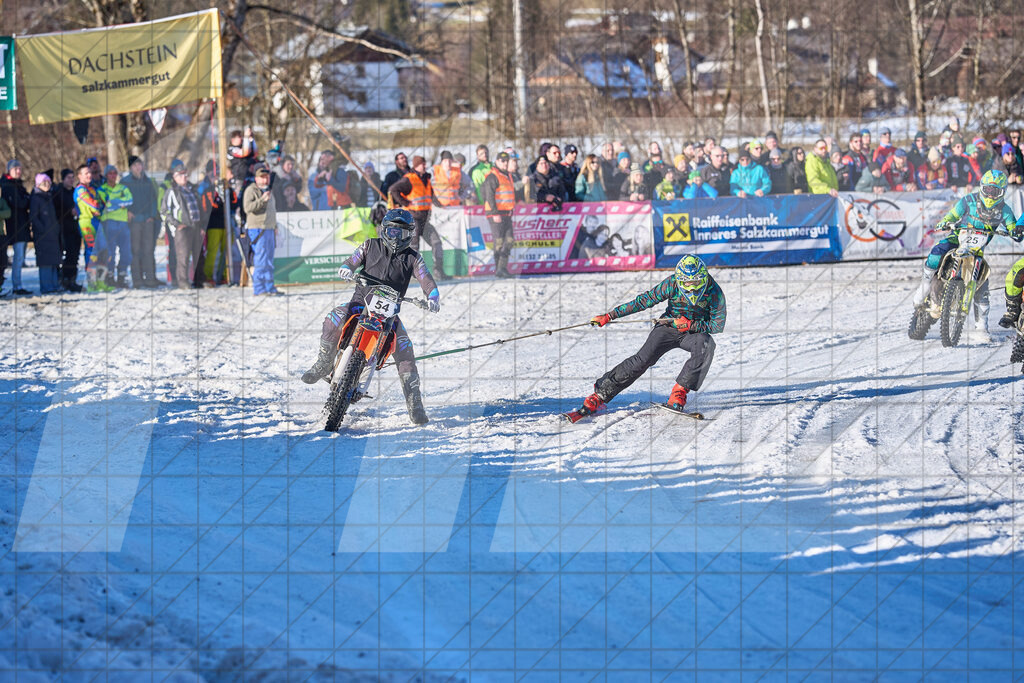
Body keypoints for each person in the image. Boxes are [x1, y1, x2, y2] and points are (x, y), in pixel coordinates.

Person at [300, 208, 441, 424]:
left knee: (405, 351)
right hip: (360, 304)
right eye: (392, 232)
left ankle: (415, 405)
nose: (396, 238)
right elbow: (351, 260)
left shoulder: (414, 258)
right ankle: (323, 363)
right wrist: (346, 268)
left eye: (402, 233)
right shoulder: (369, 245)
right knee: (332, 319)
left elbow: (426, 279)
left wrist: (432, 296)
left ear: (410, 235)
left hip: (389, 315)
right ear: (384, 230)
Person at [565, 254, 726, 422]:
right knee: (642, 360)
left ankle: (679, 392)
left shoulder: (714, 291)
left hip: (694, 333)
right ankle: (600, 394)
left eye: (696, 282)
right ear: (679, 280)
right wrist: (610, 315)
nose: (691, 288)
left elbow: (717, 325)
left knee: (706, 345)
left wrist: (691, 325)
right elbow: (645, 300)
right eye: (687, 283)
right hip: (668, 328)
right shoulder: (671, 284)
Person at [914, 170, 1018, 343]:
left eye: (995, 191)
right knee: (937, 253)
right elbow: (954, 214)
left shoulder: (1005, 210)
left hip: (977, 250)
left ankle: (981, 328)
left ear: (1002, 192)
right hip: (958, 238)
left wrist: (1015, 231)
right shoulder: (968, 200)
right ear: (982, 188)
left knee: (983, 286)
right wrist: (946, 221)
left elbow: (1012, 225)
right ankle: (924, 287)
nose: (991, 194)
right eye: (988, 190)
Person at [387, 155, 449, 279]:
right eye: (422, 164)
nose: (425, 166)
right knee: (414, 247)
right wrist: (405, 203)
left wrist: (440, 204)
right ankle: (412, 274)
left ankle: (439, 271)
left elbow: (430, 194)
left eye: (425, 164)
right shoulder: (409, 179)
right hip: (413, 219)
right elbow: (393, 189)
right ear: (416, 166)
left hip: (425, 220)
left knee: (436, 243)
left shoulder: (426, 178)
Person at [161, 162, 207, 290]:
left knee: (199, 255)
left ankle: (199, 280)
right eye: (180, 175)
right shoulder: (172, 191)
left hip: (196, 226)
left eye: (185, 175)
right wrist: (177, 224)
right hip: (182, 228)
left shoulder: (193, 189)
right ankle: (183, 281)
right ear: (175, 177)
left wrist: (202, 226)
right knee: (183, 256)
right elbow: (164, 212)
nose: (184, 177)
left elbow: (199, 208)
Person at [121, 156, 161, 288]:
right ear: (131, 168)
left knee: (148, 250)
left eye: (140, 165)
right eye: (135, 165)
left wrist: (152, 215)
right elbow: (119, 201)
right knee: (135, 250)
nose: (138, 167)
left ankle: (150, 279)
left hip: (147, 220)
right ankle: (137, 280)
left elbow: (153, 199)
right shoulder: (124, 182)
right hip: (134, 222)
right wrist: (126, 212)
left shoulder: (148, 181)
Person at [199, 165, 240, 286]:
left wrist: (227, 197)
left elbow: (234, 204)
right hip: (214, 225)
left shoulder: (230, 191)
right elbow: (209, 208)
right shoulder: (209, 191)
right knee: (212, 251)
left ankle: (223, 275)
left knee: (226, 251)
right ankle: (208, 276)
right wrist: (220, 201)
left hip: (227, 225)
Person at [73, 163, 112, 293]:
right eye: (86, 173)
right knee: (92, 253)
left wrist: (100, 206)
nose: (89, 175)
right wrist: (98, 207)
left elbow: (104, 204)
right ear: (79, 176)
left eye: (90, 172)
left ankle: (101, 282)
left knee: (104, 251)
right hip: (87, 223)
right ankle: (91, 283)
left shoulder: (93, 189)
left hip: (97, 221)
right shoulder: (80, 190)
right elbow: (94, 205)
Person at [242, 165, 279, 295]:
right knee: (261, 259)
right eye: (262, 177)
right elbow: (247, 208)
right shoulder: (251, 190)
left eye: (266, 177)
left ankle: (270, 287)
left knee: (269, 260)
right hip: (258, 229)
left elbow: (272, 211)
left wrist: (275, 226)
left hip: (269, 228)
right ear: (256, 178)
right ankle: (259, 288)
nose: (265, 180)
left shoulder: (269, 190)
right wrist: (262, 200)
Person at [481, 151, 517, 278]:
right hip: (495, 213)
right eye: (502, 161)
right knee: (499, 241)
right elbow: (489, 196)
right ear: (496, 162)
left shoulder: (507, 175)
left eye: (507, 160)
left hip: (506, 213)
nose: (505, 163)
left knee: (509, 240)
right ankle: (499, 269)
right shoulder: (493, 176)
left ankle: (502, 268)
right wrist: (495, 213)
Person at [99, 164, 134, 288]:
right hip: (109, 223)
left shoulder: (123, 188)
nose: (113, 176)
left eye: (115, 173)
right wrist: (120, 203)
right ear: (106, 175)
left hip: (123, 223)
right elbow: (105, 205)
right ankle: (109, 276)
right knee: (110, 253)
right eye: (110, 173)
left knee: (126, 252)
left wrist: (114, 203)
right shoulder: (102, 189)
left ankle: (122, 276)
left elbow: (130, 200)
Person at [1, 160, 32, 295]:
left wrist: (25, 200)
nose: (18, 171)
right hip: (13, 226)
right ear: (9, 170)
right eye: (15, 169)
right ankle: (16, 286)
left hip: (21, 224)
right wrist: (26, 199)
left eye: (19, 169)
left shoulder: (18, 185)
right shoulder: (7, 185)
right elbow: (20, 203)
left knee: (20, 257)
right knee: (17, 257)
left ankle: (17, 284)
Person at [29, 174, 62, 294]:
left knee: (54, 261)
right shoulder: (36, 198)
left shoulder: (49, 197)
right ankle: (46, 286)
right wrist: (42, 230)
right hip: (43, 236)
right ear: (38, 185)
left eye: (48, 182)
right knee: (45, 262)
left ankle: (53, 284)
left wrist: (56, 229)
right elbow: (34, 217)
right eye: (44, 183)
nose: (47, 185)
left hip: (53, 234)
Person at [53, 169, 83, 292]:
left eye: (72, 177)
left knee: (75, 255)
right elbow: (55, 210)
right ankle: (65, 278)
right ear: (63, 179)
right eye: (68, 178)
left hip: (76, 226)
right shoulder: (58, 192)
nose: (71, 180)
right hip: (64, 228)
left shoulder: (75, 192)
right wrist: (68, 212)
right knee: (68, 255)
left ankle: (72, 279)